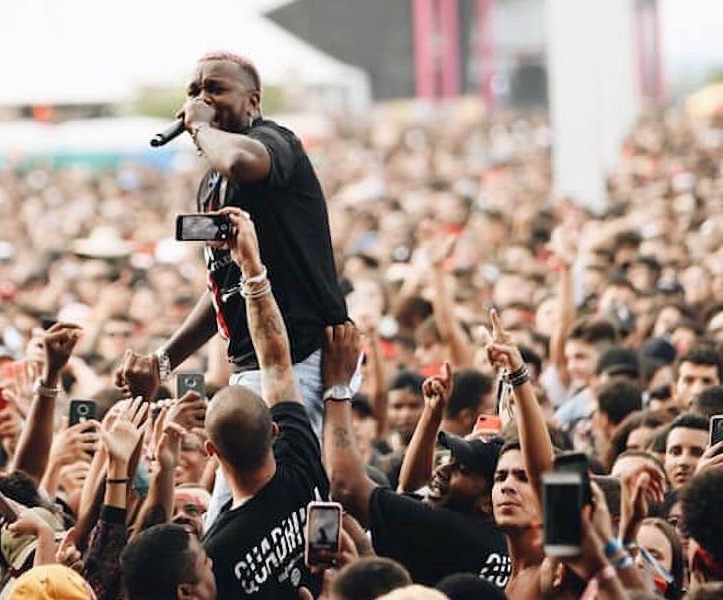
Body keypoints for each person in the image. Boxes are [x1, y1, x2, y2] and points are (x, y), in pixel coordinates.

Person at [116, 50, 349, 437]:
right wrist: (163, 362)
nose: (201, 100)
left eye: (215, 89)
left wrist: (200, 126)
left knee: (276, 474)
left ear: (252, 101)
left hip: (299, 357)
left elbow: (241, 161)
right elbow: (225, 287)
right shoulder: (213, 182)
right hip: (251, 361)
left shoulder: (274, 141)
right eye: (194, 92)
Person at [197, 208, 333, 599]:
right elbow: (275, 362)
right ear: (274, 431)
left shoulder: (213, 556)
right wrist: (251, 267)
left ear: (211, 451)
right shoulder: (299, 456)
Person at [326, 356, 511, 588]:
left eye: (461, 470)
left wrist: (337, 387)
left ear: (487, 503)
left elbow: (346, 486)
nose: (442, 469)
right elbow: (411, 488)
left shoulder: (453, 530)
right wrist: (433, 412)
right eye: (450, 459)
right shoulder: (495, 537)